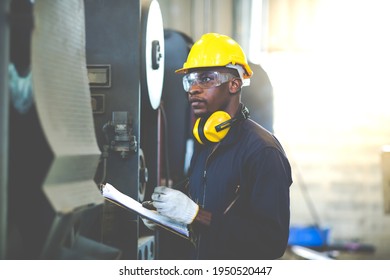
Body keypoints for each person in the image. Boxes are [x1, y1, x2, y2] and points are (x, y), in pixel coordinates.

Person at [144, 33, 292, 260]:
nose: (193, 89)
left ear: (234, 84)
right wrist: (163, 215)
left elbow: (271, 243)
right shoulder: (206, 143)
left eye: (205, 79)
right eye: (189, 80)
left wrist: (196, 215)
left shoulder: (263, 152)